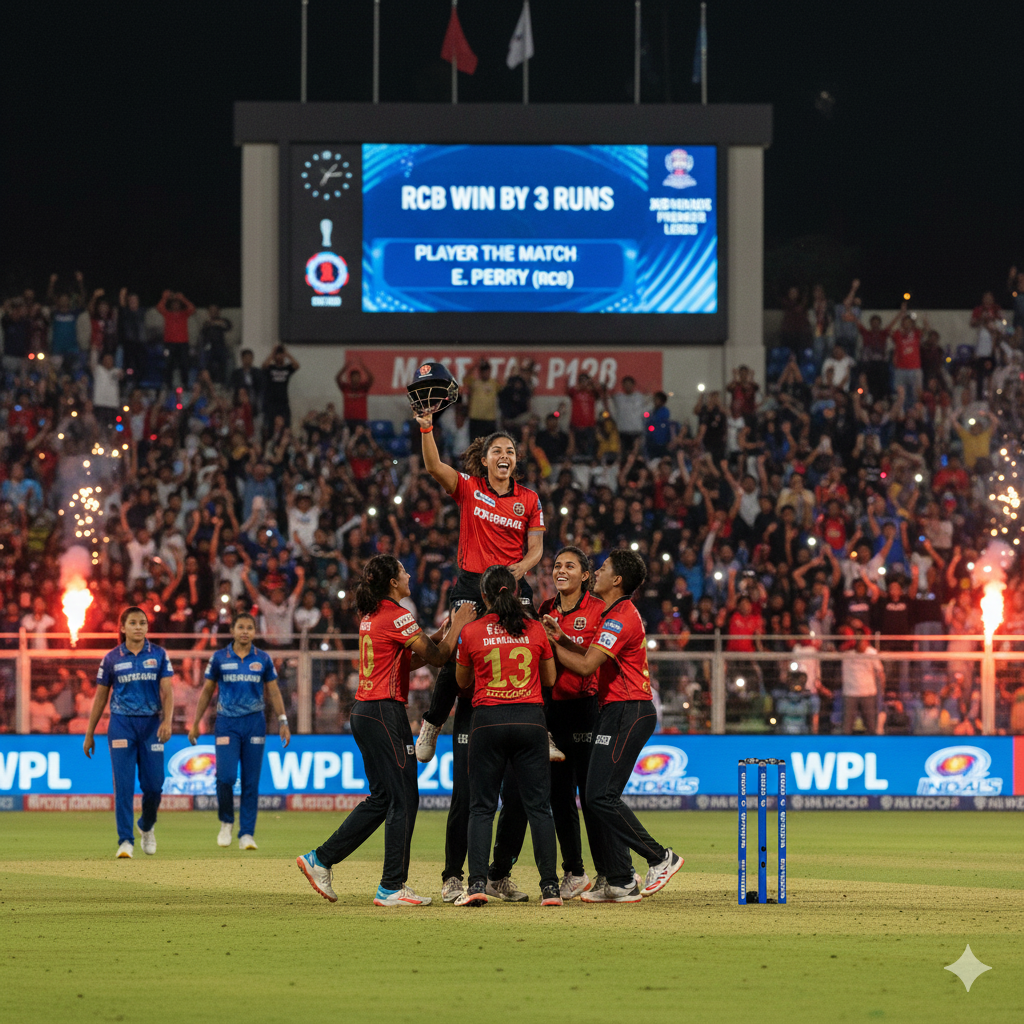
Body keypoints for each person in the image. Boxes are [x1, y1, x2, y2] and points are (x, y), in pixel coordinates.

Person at [410, 411, 545, 903]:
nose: (504, 456)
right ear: (484, 460)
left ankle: (544, 724)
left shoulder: (529, 499)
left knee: (535, 646)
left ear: (515, 461)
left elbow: (537, 549)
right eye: (497, 451)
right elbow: (433, 467)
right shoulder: (469, 489)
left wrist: (517, 570)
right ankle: (432, 723)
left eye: (510, 451)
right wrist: (427, 426)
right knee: (456, 647)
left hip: (511, 584)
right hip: (472, 583)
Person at [296, 555, 474, 906]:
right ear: (393, 582)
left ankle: (321, 859)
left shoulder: (373, 615)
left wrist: (439, 636)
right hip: (384, 712)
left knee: (383, 798)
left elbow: (411, 659)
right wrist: (457, 625)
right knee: (404, 798)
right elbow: (440, 658)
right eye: (404, 571)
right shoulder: (397, 615)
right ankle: (391, 886)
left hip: (366, 712)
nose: (409, 575)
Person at [543, 550, 683, 903]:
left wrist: (547, 646)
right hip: (618, 709)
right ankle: (620, 880)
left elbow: (586, 666)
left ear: (617, 580)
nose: (597, 573)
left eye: (603, 569)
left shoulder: (619, 618)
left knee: (599, 796)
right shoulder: (614, 614)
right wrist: (560, 638)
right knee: (599, 797)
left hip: (628, 709)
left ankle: (660, 858)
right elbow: (589, 654)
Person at [487, 546, 607, 899]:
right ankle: (575, 872)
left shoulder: (598, 610)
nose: (560, 570)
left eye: (570, 566)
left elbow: (594, 658)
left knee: (592, 797)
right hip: (550, 710)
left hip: (584, 709)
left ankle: (609, 873)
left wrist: (558, 640)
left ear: (585, 575)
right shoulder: (544, 609)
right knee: (558, 796)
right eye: (556, 565)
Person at [453, 566, 561, 907]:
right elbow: (550, 679)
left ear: (483, 596)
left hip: (488, 721)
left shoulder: (471, 631)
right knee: (539, 808)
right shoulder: (535, 628)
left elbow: (461, 682)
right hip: (530, 721)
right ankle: (551, 888)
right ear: (515, 592)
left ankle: (476, 884)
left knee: (482, 808)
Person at [187, 611, 291, 850]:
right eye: (241, 627)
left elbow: (274, 691)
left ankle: (246, 834)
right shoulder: (219, 658)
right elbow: (207, 691)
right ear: (232, 630)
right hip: (227, 723)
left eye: (249, 628)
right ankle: (226, 821)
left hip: (254, 723)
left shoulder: (263, 659)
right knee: (225, 777)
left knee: (251, 781)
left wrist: (283, 720)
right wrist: (195, 722)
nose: (245, 632)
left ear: (255, 632)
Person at [83, 607, 174, 859]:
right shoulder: (112, 658)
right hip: (121, 724)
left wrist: (167, 721)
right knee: (123, 786)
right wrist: (90, 732)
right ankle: (125, 840)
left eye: (142, 623)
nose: (138, 627)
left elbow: (168, 691)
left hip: (151, 725)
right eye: (132, 623)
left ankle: (146, 825)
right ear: (123, 627)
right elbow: (101, 697)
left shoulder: (158, 654)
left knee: (154, 786)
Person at [841, 632, 884, 734]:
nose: (861, 643)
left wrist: (882, 691)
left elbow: (880, 672)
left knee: (871, 726)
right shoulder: (847, 652)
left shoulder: (872, 653)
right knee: (847, 727)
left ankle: (872, 744)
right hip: (850, 693)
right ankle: (845, 744)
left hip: (868, 693)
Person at [262, 345, 300, 431]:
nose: (279, 357)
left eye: (281, 354)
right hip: (272, 402)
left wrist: (287, 354)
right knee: (271, 424)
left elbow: (297, 366)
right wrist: (272, 353)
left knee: (286, 424)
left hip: (283, 401)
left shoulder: (287, 368)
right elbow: (264, 366)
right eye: (278, 354)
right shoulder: (271, 368)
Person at [335, 357, 374, 432]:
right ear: (350, 378)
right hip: (348, 419)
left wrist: (363, 366)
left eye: (358, 377)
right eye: (354, 376)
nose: (356, 378)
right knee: (347, 438)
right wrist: (346, 367)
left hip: (361, 419)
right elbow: (337, 378)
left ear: (360, 378)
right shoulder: (345, 387)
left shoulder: (364, 387)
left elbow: (371, 378)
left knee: (362, 438)